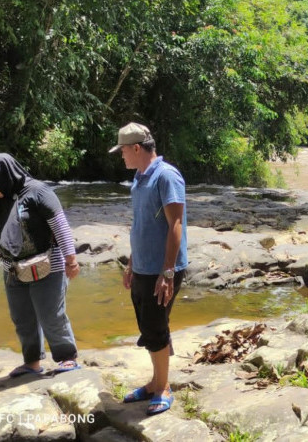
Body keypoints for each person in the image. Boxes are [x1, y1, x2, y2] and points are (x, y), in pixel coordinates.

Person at [0, 153, 80, 377]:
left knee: (51, 314)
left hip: (48, 264)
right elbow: (4, 235)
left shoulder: (39, 192)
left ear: (2, 178)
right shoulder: (4, 199)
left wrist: (71, 260)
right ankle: (32, 362)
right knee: (22, 317)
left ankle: (67, 358)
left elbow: (60, 225)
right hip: (13, 268)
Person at [110, 122, 188, 416]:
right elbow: (142, 225)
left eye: (123, 152)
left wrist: (167, 273)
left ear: (136, 148)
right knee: (149, 326)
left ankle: (164, 387)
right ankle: (156, 382)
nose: (122, 157)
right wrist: (132, 262)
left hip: (162, 270)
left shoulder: (166, 176)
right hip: (143, 266)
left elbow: (175, 225)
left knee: (155, 327)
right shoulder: (139, 178)